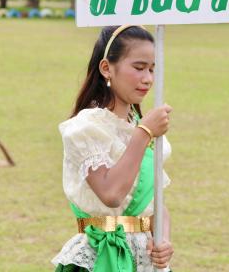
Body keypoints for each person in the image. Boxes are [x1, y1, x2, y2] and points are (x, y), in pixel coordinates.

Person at [52, 25, 174, 272]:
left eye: (152, 69)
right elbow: (111, 193)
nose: (148, 78)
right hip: (101, 259)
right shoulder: (85, 128)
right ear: (107, 67)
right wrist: (144, 134)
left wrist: (164, 241)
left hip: (144, 261)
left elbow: (153, 203)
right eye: (139, 68)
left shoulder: (139, 126)